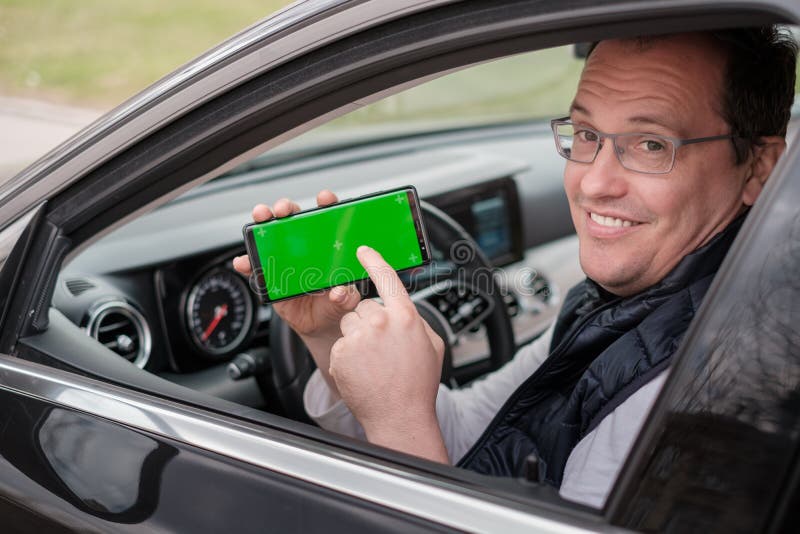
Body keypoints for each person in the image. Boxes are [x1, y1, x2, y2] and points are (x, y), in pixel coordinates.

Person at [233, 27, 797, 508]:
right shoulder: (618, 303)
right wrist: (331, 333)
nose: (593, 182)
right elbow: (465, 435)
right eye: (586, 135)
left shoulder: (696, 390)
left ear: (759, 167)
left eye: (651, 144)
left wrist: (400, 425)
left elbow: (420, 436)